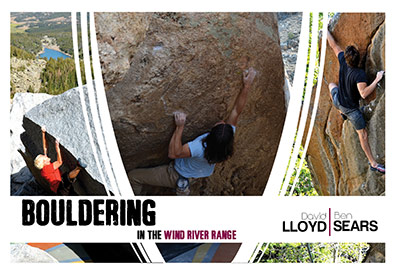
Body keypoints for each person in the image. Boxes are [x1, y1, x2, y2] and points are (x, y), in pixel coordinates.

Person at [128, 67, 257, 195]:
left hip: (176, 174)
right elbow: (236, 110)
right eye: (223, 124)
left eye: (219, 125)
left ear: (210, 137)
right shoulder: (226, 141)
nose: (222, 122)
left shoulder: (199, 147)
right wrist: (247, 86)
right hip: (196, 175)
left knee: (134, 177)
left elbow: (174, 154)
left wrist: (180, 127)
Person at [326, 30, 385, 174]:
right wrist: (377, 79)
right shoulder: (359, 74)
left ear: (346, 58)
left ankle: (341, 113)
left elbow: (334, 45)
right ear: (359, 59)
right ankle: (373, 163)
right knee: (363, 134)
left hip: (338, 101)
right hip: (352, 111)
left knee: (331, 86)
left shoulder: (342, 60)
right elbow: (363, 94)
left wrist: (325, 30)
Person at [33, 126, 87, 195]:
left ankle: (79, 167)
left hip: (62, 187)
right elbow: (59, 162)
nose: (45, 156)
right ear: (44, 162)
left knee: (72, 191)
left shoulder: (46, 164)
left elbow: (45, 148)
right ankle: (79, 166)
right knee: (66, 178)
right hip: (60, 189)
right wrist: (57, 147)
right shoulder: (46, 170)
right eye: (44, 157)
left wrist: (43, 133)